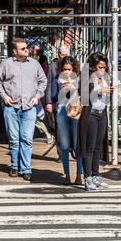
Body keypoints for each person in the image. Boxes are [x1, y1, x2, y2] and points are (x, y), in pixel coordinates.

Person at [0, 38, 47, 181]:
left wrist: (37, 96)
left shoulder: (34, 64)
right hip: (11, 107)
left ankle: (26, 168)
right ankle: (14, 167)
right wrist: (4, 96)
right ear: (15, 51)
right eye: (22, 48)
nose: (26, 50)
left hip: (29, 107)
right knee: (14, 139)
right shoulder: (6, 64)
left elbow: (43, 81)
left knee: (27, 139)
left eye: (26, 48)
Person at [79, 52, 114, 191]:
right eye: (99, 67)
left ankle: (96, 175)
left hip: (102, 114)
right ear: (93, 66)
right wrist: (100, 91)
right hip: (91, 115)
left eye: (104, 67)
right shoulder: (87, 77)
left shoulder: (105, 77)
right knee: (89, 147)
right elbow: (84, 95)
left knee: (98, 147)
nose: (102, 70)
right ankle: (87, 178)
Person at [55, 56, 83, 185]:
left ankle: (79, 175)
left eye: (69, 69)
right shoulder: (57, 80)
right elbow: (52, 96)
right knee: (64, 145)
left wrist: (74, 88)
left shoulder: (79, 80)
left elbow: (86, 95)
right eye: (64, 69)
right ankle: (67, 174)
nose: (67, 72)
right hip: (61, 111)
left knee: (78, 145)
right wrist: (61, 88)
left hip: (75, 111)